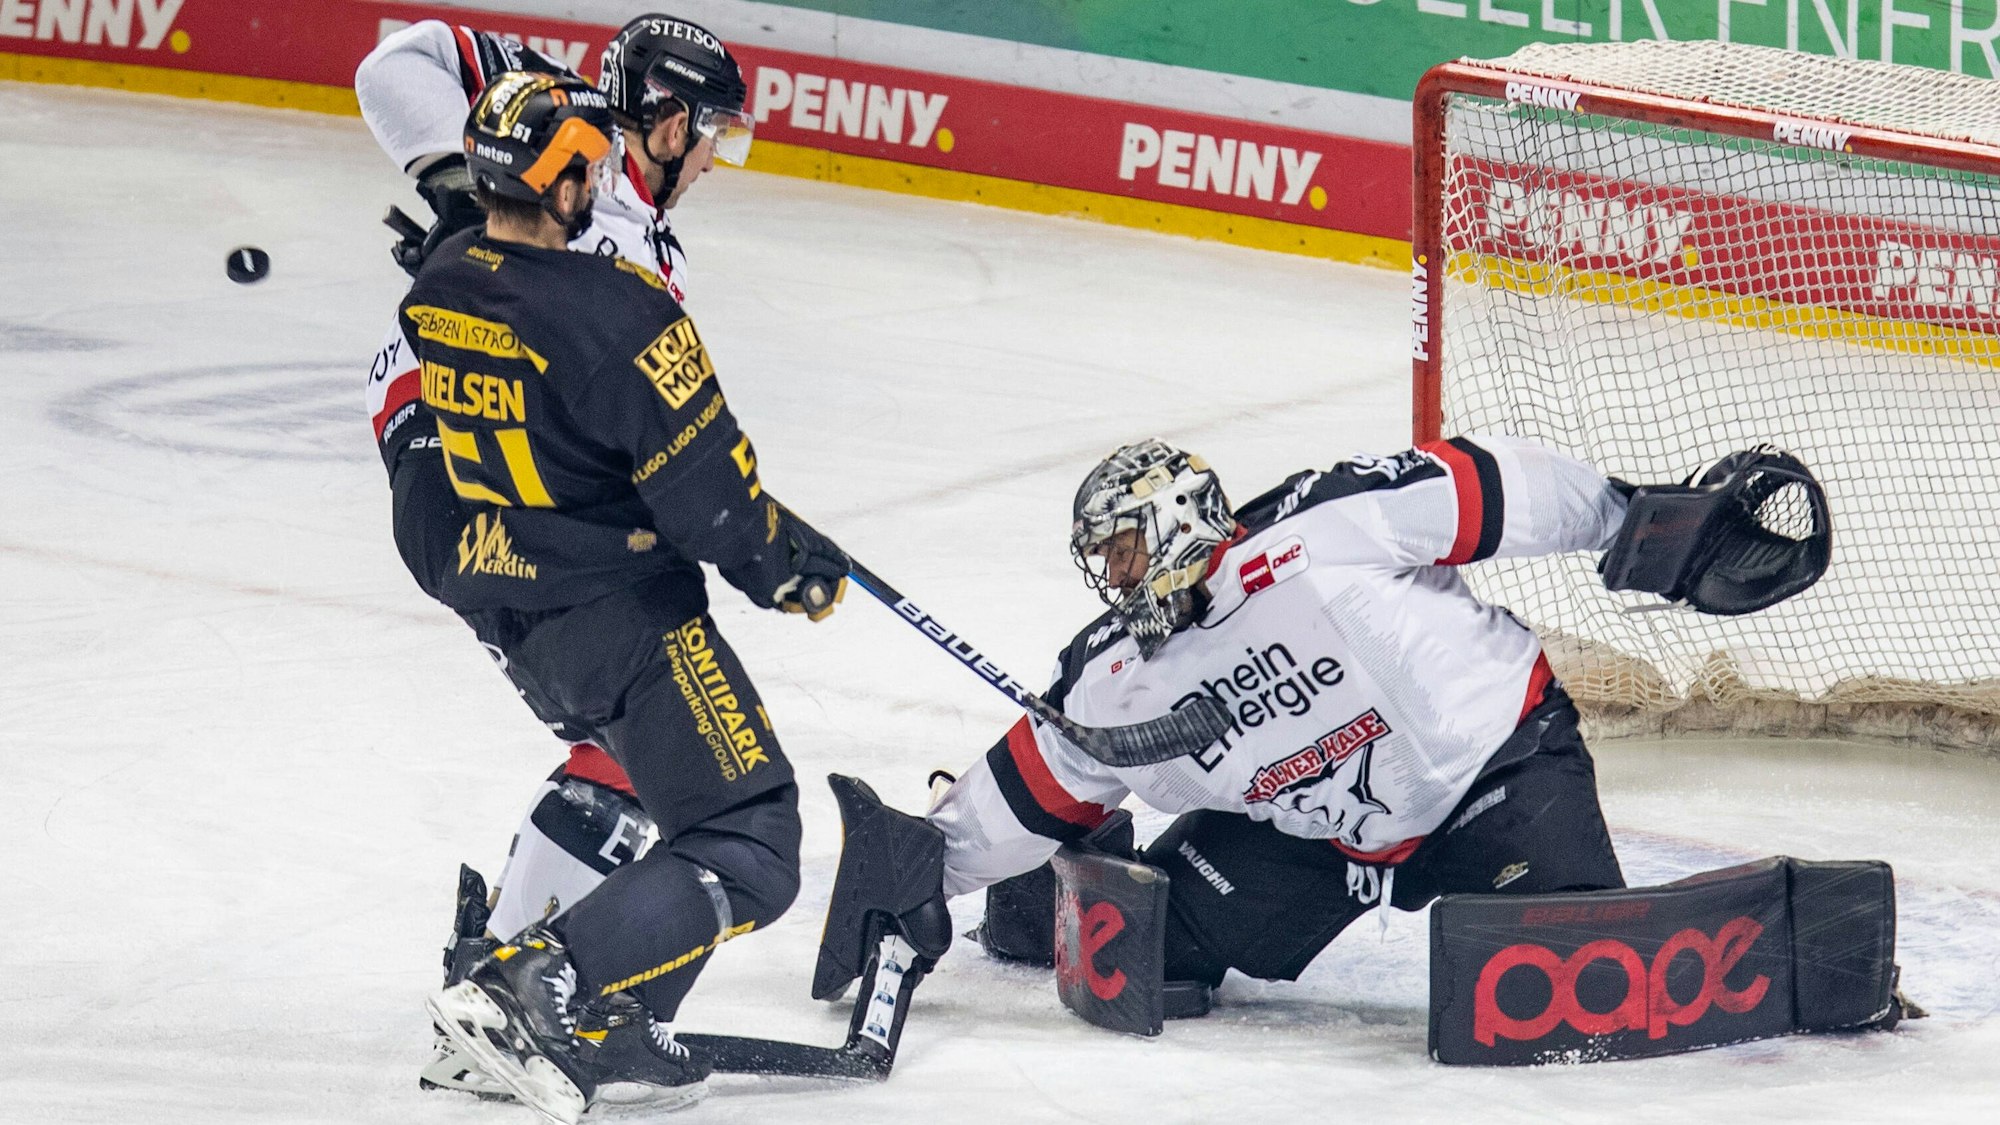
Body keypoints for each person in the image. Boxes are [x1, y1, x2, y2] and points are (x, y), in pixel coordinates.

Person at [402, 72, 847, 1122]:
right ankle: (534, 986)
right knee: (749, 839)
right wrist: (786, 560)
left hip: (523, 615)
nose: (601, 177)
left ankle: (585, 1016)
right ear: (557, 182)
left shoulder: (442, 279)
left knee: (651, 790)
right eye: (587, 165)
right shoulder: (624, 313)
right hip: (627, 622)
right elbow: (715, 514)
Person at [353, 16, 763, 1097]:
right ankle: (503, 992)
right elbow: (395, 60)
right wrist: (455, 180)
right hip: (472, 480)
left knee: (626, 739)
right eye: (711, 129)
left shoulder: (591, 185)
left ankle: (490, 991)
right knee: (649, 731)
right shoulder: (563, 155)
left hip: (476, 474)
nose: (715, 157)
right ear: (667, 117)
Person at [923, 436, 1630, 1000]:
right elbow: (1040, 776)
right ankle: (1043, 882)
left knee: (1582, 969)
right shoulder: (1119, 672)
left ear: (1174, 519)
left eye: (1122, 549)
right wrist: (925, 872)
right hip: (1324, 842)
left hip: (1502, 770)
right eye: (1104, 558)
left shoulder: (1324, 525)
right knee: (1133, 946)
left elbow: (1492, 487)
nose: (1113, 577)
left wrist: (1633, 521)